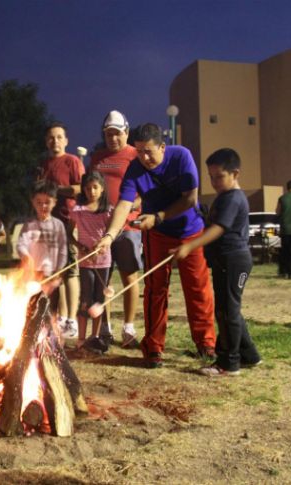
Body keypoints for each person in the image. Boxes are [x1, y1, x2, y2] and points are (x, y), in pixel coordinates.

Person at [95, 123, 216, 369]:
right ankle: (153, 347)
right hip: (157, 235)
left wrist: (159, 216)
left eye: (149, 151)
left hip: (190, 232)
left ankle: (206, 343)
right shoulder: (135, 168)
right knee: (155, 290)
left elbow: (191, 198)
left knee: (198, 289)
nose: (144, 158)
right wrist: (108, 236)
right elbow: (123, 205)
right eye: (139, 151)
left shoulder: (181, 156)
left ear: (162, 146)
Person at [170, 148, 262, 376]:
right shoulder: (224, 197)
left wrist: (190, 246)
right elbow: (213, 222)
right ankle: (249, 354)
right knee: (228, 309)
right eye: (210, 177)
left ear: (235, 174)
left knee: (227, 311)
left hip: (234, 260)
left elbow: (219, 229)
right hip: (223, 261)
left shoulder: (234, 198)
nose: (214, 182)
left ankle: (229, 363)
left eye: (219, 176)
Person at [88, 110, 143, 348]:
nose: (113, 139)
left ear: (126, 133)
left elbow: (144, 191)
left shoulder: (135, 155)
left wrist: (130, 209)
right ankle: (105, 328)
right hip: (102, 228)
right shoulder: (97, 158)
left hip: (128, 225)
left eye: (117, 134)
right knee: (103, 280)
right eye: (109, 134)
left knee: (129, 276)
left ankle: (129, 327)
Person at [38, 123, 85, 337]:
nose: (54, 141)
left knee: (70, 271)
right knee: (53, 273)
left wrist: (57, 191)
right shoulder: (43, 164)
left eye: (59, 137)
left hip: (68, 222)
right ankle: (54, 318)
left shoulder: (72, 161)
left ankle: (71, 320)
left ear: (66, 140)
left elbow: (81, 188)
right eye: (51, 137)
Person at [68, 172, 112, 354]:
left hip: (103, 261)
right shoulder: (77, 211)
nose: (91, 191)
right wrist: (81, 247)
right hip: (85, 262)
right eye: (88, 188)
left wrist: (101, 246)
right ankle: (81, 339)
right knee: (85, 300)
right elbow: (69, 234)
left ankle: (94, 338)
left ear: (102, 189)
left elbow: (111, 234)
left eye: (95, 187)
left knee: (99, 301)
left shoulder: (108, 211)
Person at [16, 180, 68, 313]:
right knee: (32, 305)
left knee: (51, 305)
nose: (43, 206)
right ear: (33, 202)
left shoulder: (58, 225)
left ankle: (50, 331)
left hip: (52, 272)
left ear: (54, 202)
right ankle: (31, 332)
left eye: (47, 202)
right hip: (33, 273)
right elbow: (21, 244)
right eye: (38, 202)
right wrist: (26, 257)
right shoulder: (29, 225)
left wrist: (60, 269)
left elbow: (63, 249)